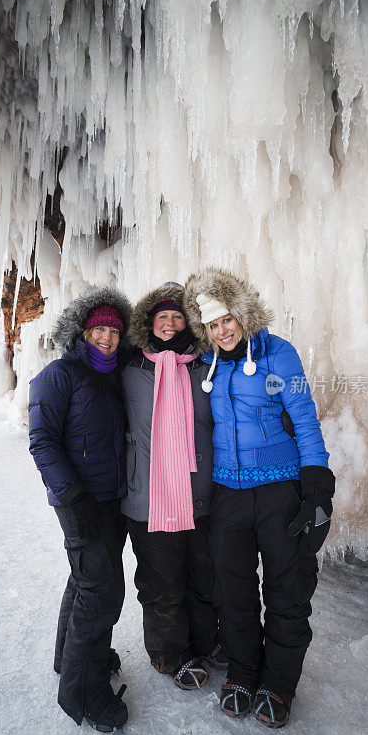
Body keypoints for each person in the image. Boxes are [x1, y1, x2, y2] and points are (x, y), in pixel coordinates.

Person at [183, 268, 335, 728]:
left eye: (227, 320)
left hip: (278, 491)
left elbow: (305, 419)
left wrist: (317, 484)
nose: (222, 331)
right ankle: (245, 673)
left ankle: (278, 684)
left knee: (287, 589)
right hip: (229, 492)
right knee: (234, 591)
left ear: (242, 314)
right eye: (212, 325)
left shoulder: (279, 354)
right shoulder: (210, 364)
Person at [28, 286, 132, 733]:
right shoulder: (60, 374)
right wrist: (73, 495)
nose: (106, 338)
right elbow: (42, 441)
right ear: (82, 332)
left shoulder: (114, 376)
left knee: (84, 581)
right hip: (79, 502)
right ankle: (84, 694)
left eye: (113, 330)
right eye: (98, 330)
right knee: (102, 592)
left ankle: (66, 659)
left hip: (109, 500)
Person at [121, 282, 219, 690]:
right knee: (162, 583)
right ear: (149, 321)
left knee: (203, 577)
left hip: (200, 494)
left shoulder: (205, 366)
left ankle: (205, 644)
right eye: (162, 316)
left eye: (178, 316)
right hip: (149, 497)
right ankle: (169, 655)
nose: (170, 323)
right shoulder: (128, 368)